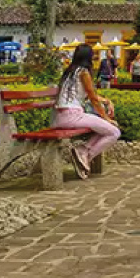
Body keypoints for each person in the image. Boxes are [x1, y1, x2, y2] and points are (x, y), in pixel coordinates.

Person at [52, 43, 120, 179]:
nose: (94, 57)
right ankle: (85, 153)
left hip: (62, 117)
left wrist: (106, 100)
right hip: (73, 116)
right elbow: (93, 99)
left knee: (104, 129)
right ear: (88, 57)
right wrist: (106, 118)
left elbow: (90, 95)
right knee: (114, 132)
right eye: (92, 54)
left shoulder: (70, 71)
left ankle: (83, 151)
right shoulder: (83, 72)